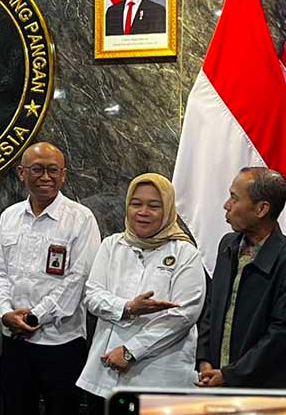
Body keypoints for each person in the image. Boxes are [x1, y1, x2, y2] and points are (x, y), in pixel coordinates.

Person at [77, 173, 204, 413]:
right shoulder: (112, 245)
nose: (143, 212)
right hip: (106, 372)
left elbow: (183, 315)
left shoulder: (186, 254)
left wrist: (130, 351)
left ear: (167, 210)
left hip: (160, 376)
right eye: (136, 204)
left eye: (154, 206)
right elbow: (92, 296)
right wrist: (128, 308)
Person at [0, 142, 101, 415]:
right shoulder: (9, 217)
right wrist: (5, 313)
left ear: (64, 175)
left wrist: (33, 317)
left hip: (61, 343)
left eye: (53, 170)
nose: (46, 177)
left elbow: (78, 279)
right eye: (37, 170)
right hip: (15, 340)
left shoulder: (81, 219)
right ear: (21, 173)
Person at [196, 167, 286, 388]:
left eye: (234, 198)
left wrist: (231, 375)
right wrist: (204, 359)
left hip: (261, 392)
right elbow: (212, 306)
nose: (226, 205)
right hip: (215, 381)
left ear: (261, 209)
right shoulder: (227, 245)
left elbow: (281, 336)